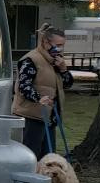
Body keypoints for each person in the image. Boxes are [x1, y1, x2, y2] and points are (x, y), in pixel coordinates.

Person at [11, 25, 73, 158]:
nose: (60, 48)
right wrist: (39, 98)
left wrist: (63, 69)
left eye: (63, 45)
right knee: (32, 156)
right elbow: (24, 86)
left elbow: (67, 84)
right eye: (58, 44)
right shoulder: (31, 60)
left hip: (49, 117)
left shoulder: (56, 60)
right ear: (45, 42)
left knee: (48, 157)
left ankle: (46, 178)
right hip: (31, 116)